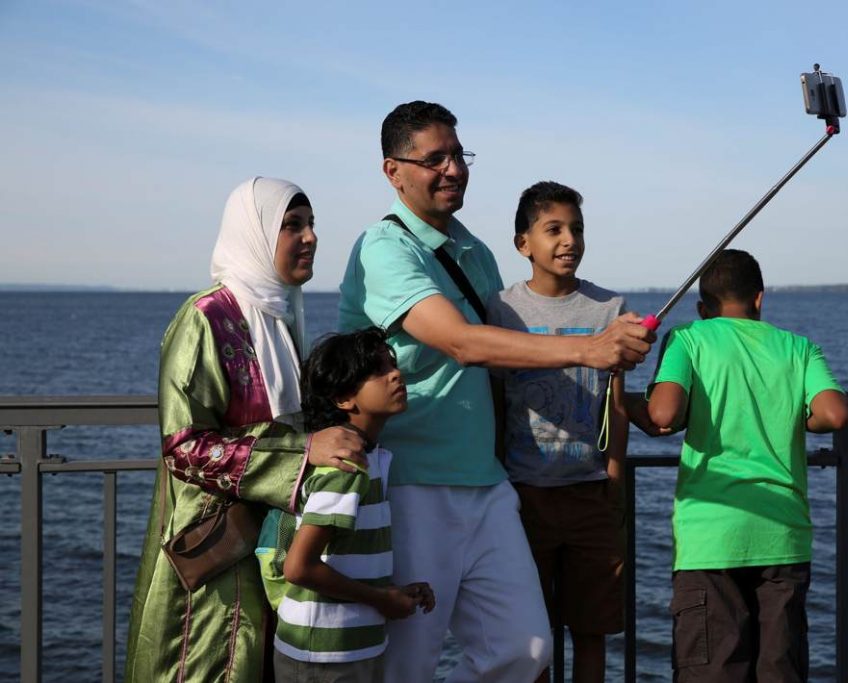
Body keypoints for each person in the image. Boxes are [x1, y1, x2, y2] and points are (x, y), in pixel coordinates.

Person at [337, 101, 655, 682]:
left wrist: (618, 392)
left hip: (487, 480)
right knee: (410, 659)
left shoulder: (475, 251)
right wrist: (590, 348)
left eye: (459, 155)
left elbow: (510, 359)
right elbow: (461, 342)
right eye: (435, 158)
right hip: (412, 480)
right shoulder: (385, 249)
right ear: (393, 170)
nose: (453, 169)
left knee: (526, 649)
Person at [125, 177, 366, 683]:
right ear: (254, 235)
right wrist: (300, 454)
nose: (310, 237)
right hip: (213, 550)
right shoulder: (204, 319)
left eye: (311, 224)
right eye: (291, 225)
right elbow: (184, 445)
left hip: (268, 544)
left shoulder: (277, 315)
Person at [628, 249, 848, 682]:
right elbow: (836, 414)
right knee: (779, 672)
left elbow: (663, 415)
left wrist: (620, 403)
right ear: (760, 299)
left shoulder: (689, 338)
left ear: (702, 308)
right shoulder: (798, 348)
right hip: (782, 536)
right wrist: (800, 416)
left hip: (712, 537)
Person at [486, 181, 627, 683]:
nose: (569, 240)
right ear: (523, 243)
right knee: (531, 633)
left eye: (577, 229)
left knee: (592, 630)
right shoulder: (501, 311)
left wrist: (613, 473)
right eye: (554, 229)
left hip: (590, 494)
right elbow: (496, 404)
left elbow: (615, 400)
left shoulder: (609, 309)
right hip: (523, 496)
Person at [272, 328, 435, 682]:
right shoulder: (345, 467)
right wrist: (381, 600)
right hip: (322, 655)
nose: (395, 373)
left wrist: (391, 593)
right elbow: (299, 568)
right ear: (345, 398)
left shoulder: (371, 459)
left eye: (392, 364)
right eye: (377, 370)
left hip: (348, 648)